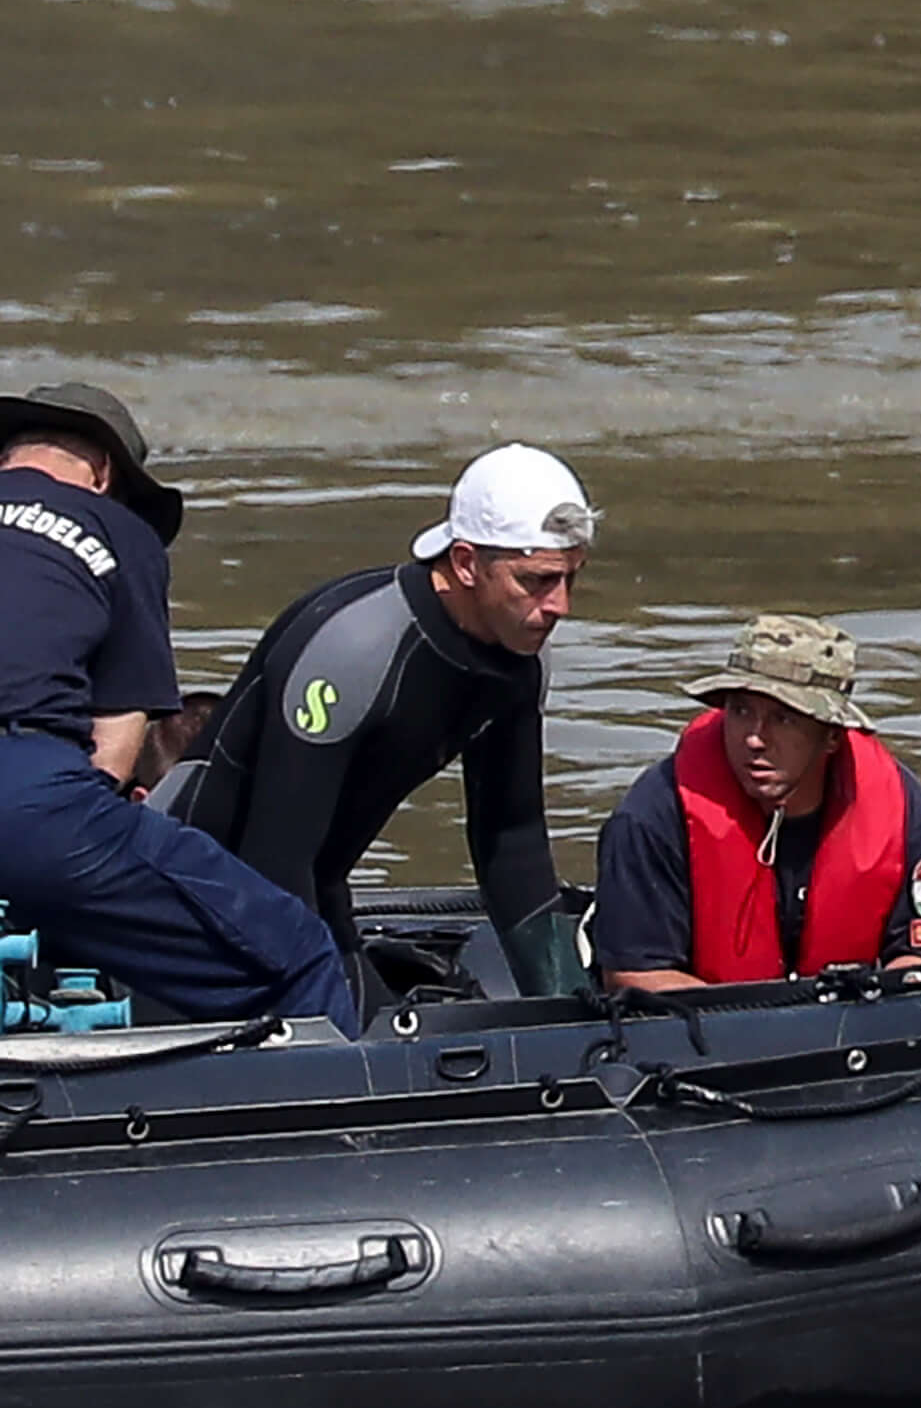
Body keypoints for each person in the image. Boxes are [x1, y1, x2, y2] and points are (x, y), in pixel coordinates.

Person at [165, 443, 590, 994]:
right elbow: (273, 854)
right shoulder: (354, 645)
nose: (560, 606)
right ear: (465, 564)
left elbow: (512, 842)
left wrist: (565, 1007)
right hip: (187, 897)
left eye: (569, 580)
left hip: (315, 893)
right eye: (535, 581)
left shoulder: (521, 654)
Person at [0, 382, 354, 1030]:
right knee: (296, 955)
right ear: (105, 473)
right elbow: (115, 741)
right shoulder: (118, 531)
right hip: (27, 795)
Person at [585, 616, 921, 995]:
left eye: (783, 718)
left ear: (832, 735)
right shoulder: (652, 815)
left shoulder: (901, 808)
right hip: (708, 1041)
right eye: (740, 711)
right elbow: (635, 976)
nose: (754, 738)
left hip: (849, 1028)